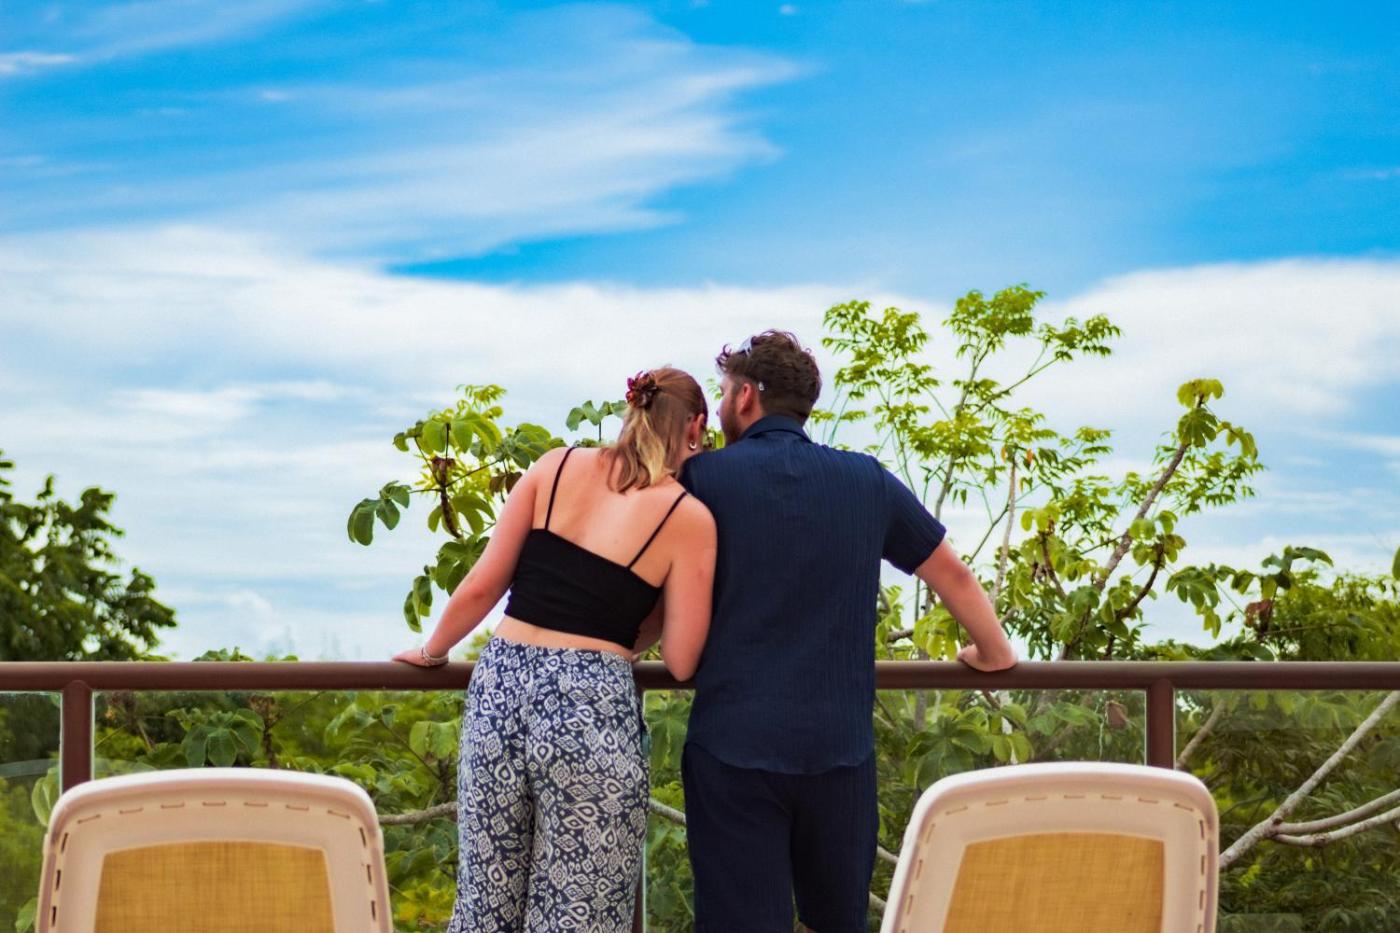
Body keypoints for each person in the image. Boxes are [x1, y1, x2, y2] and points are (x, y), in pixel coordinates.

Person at [679, 331, 1017, 933]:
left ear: (747, 397)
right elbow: (954, 574)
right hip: (839, 754)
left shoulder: (703, 479)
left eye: (725, 392)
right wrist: (993, 652)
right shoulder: (866, 480)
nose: (724, 404)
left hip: (733, 747)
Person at [394, 367, 716, 933]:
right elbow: (683, 658)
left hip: (500, 687)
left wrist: (433, 650)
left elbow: (483, 585)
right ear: (694, 427)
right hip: (589, 708)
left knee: (484, 905)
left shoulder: (554, 466)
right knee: (577, 912)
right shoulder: (686, 516)